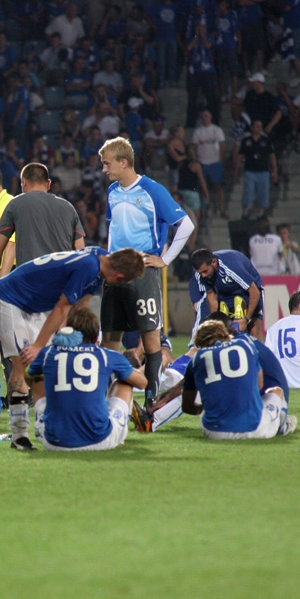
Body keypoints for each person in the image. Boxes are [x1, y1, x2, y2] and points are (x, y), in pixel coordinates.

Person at [0, 247, 145, 449]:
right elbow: (63, 308)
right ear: (120, 275)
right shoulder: (90, 267)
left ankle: (63, 422)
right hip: (8, 298)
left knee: (56, 359)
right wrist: (38, 345)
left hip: (31, 304)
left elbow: (80, 308)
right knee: (24, 363)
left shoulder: (99, 259)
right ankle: (19, 435)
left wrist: (85, 342)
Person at [98, 136, 194, 407]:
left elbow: (185, 225)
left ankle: (151, 403)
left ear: (123, 162)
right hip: (114, 274)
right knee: (110, 340)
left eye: (107, 164)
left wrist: (165, 259)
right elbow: (113, 230)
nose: (104, 169)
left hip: (143, 274)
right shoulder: (113, 192)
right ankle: (105, 400)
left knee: (151, 342)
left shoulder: (152, 190)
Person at [27, 308, 146, 451]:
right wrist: (131, 369)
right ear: (96, 338)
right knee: (125, 382)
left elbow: (27, 377)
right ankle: (118, 430)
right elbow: (142, 383)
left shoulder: (48, 352)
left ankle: (43, 421)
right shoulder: (105, 354)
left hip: (54, 443)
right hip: (100, 440)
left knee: (37, 379)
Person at [182, 320, 297, 439]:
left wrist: (208, 407)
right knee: (276, 391)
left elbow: (187, 407)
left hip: (215, 432)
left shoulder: (197, 358)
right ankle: (283, 426)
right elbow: (259, 385)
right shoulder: (246, 345)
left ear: (199, 344)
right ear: (225, 334)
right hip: (255, 428)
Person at [0, 163, 86, 280]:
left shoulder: (15, 204)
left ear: (24, 182)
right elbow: (81, 253)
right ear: (49, 184)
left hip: (30, 284)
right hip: (61, 284)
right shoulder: (68, 207)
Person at [191, 248, 265, 338]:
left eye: (205, 271)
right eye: (200, 272)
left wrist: (246, 319)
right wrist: (214, 321)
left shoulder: (231, 266)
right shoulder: (200, 274)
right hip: (225, 293)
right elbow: (211, 295)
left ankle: (258, 351)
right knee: (224, 331)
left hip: (247, 291)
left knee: (254, 328)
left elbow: (254, 292)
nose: (203, 275)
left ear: (214, 262)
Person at [237, 120, 278, 219]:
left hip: (263, 171)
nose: (259, 128)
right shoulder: (246, 141)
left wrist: (275, 170)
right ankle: (245, 212)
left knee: (263, 193)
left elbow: (271, 155)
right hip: (250, 171)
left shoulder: (266, 140)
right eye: (256, 126)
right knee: (248, 192)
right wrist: (236, 169)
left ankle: (260, 214)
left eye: (260, 126)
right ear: (252, 128)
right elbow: (240, 156)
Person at [191, 110, 227, 218]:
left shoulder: (217, 130)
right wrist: (196, 159)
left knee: (218, 187)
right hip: (202, 162)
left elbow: (222, 146)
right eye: (203, 116)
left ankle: (221, 210)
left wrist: (221, 159)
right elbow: (194, 147)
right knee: (202, 187)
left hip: (215, 162)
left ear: (210, 116)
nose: (205, 117)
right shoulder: (198, 131)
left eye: (207, 115)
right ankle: (202, 210)